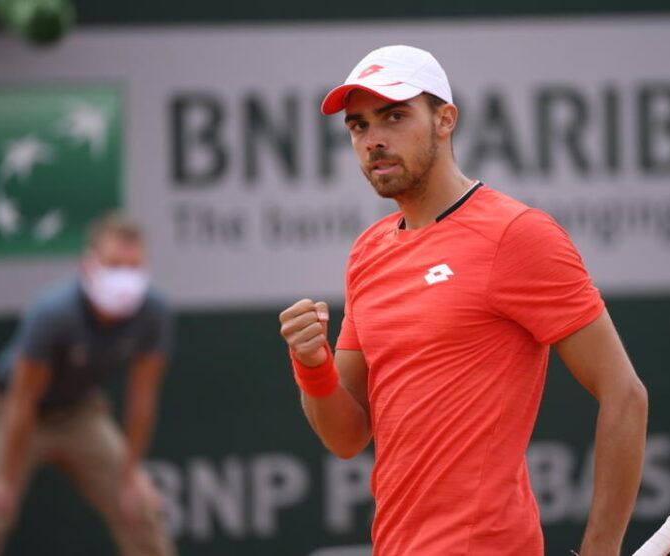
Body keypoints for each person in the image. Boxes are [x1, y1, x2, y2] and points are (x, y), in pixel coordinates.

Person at [278, 45, 648, 556]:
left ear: (445, 120)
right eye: (359, 126)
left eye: (395, 116)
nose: (374, 140)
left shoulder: (517, 234)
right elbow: (347, 438)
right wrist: (311, 365)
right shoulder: (368, 251)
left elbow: (624, 394)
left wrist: (600, 552)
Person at [0, 213, 175, 556]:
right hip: (10, 412)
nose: (124, 277)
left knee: (138, 507)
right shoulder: (53, 313)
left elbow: (142, 397)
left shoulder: (153, 312)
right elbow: (22, 399)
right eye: (114, 265)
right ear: (88, 266)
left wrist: (130, 475)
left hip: (79, 414)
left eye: (134, 266)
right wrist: (5, 481)